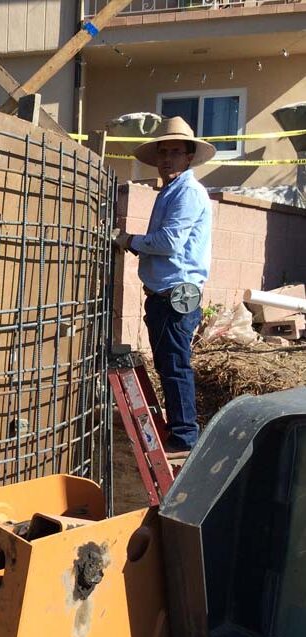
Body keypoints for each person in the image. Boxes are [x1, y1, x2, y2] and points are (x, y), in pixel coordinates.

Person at [115, 116, 215, 454]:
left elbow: (170, 242)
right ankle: (181, 430)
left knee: (174, 366)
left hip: (176, 295)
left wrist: (129, 240)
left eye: (175, 152)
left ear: (189, 157)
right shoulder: (172, 191)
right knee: (170, 365)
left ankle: (185, 436)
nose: (167, 159)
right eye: (164, 153)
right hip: (167, 295)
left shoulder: (186, 192)